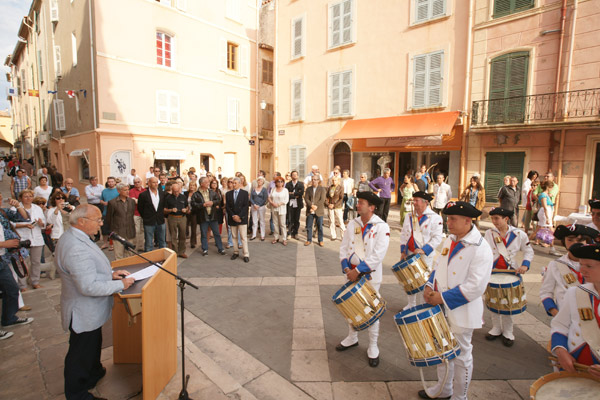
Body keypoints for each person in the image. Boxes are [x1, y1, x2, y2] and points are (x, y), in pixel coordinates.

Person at [56, 205, 134, 399]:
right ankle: (77, 393)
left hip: (89, 310)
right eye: (98, 220)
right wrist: (121, 285)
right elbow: (88, 286)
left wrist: (111, 274)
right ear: (82, 221)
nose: (101, 223)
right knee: (80, 353)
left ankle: (93, 372)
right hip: (83, 310)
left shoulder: (77, 237)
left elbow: (90, 269)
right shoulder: (75, 247)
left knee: (92, 345)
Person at [420, 201, 493, 400]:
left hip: (462, 310)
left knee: (461, 356)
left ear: (467, 221)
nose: (448, 222)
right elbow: (437, 266)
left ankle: (460, 396)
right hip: (441, 308)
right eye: (447, 218)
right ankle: (444, 389)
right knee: (443, 350)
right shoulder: (450, 239)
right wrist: (429, 284)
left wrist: (442, 298)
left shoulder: (481, 248)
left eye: (452, 219)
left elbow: (476, 286)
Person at [336, 191, 389, 367]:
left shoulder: (381, 227)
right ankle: (352, 337)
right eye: (358, 202)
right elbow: (344, 247)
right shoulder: (353, 223)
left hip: (370, 276)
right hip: (350, 274)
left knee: (371, 311)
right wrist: (346, 267)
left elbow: (378, 255)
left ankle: (373, 346)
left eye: (361, 203)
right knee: (352, 308)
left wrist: (358, 270)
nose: (357, 205)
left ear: (372, 207)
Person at [483, 207, 534, 347]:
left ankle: (508, 331)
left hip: (510, 272)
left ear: (506, 219)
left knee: (507, 303)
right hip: (493, 271)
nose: (494, 222)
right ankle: (496, 328)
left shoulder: (519, 234)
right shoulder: (489, 233)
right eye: (492, 219)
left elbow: (528, 251)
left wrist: (525, 265)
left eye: (497, 218)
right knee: (492, 300)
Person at [550, 242, 600, 379]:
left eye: (588, 266)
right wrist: (560, 350)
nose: (582, 271)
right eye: (581, 264)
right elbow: (560, 325)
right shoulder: (575, 292)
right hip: (574, 366)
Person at [539, 224, 598, 316]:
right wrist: (555, 312)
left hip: (592, 321)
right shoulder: (555, 265)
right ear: (564, 241)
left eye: (580, 240)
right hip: (566, 317)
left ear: (587, 242)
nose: (574, 243)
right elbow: (546, 292)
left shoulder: (596, 264)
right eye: (570, 240)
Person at [399, 191, 443, 309]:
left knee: (424, 281)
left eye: (417, 200)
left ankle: (425, 304)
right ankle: (411, 304)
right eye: (414, 200)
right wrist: (403, 251)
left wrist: (424, 250)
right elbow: (404, 234)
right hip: (409, 252)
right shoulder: (409, 216)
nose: (414, 203)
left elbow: (437, 238)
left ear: (425, 202)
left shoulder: (435, 218)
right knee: (410, 280)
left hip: (424, 255)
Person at [12, 190, 46, 290]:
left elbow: (44, 222)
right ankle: (22, 284)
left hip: (36, 238)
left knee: (36, 262)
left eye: (30, 196)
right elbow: (11, 224)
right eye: (25, 196)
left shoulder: (37, 208)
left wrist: (41, 223)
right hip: (23, 238)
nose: (28, 198)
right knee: (22, 262)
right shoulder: (14, 209)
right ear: (21, 198)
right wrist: (25, 225)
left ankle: (35, 281)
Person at [192, 177, 226, 256]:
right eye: (207, 182)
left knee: (216, 233)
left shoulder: (212, 192)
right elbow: (193, 204)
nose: (208, 183)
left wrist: (212, 203)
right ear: (202, 184)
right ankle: (205, 249)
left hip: (213, 216)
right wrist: (202, 205)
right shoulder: (196, 194)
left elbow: (218, 200)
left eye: (208, 182)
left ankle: (220, 248)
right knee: (204, 233)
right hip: (203, 217)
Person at [105, 183, 136, 260]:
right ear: (119, 191)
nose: (127, 191)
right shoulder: (112, 203)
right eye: (125, 190)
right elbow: (109, 218)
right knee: (119, 256)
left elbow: (131, 215)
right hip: (118, 232)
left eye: (128, 189)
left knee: (129, 255)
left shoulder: (132, 202)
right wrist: (112, 232)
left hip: (130, 232)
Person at [137, 177, 167, 252]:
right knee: (149, 242)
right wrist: (146, 217)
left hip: (160, 220)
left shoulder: (162, 193)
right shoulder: (143, 195)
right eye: (154, 182)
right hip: (149, 221)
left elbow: (163, 206)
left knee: (162, 241)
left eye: (157, 182)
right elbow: (140, 208)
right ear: (149, 183)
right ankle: (149, 260)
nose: (156, 184)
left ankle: (162, 259)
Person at [226, 177, 250, 262]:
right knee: (234, 236)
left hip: (241, 218)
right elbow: (227, 207)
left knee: (243, 237)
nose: (233, 184)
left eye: (235, 183)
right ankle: (235, 252)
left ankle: (246, 254)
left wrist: (239, 216)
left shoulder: (244, 193)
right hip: (232, 218)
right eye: (232, 183)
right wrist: (233, 215)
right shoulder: (228, 194)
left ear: (240, 184)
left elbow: (246, 206)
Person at [164, 182, 188, 258]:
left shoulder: (183, 197)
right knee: (173, 235)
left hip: (182, 217)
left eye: (177, 191)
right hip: (172, 217)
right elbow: (164, 210)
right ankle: (175, 252)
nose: (176, 193)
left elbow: (187, 207)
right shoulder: (168, 198)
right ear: (172, 190)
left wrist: (186, 210)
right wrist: (170, 210)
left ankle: (181, 251)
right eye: (174, 191)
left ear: (180, 189)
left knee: (182, 235)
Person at [304, 175, 326, 247]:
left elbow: (322, 199)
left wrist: (315, 206)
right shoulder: (308, 189)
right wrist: (311, 206)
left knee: (319, 226)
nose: (314, 181)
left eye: (315, 179)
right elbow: (306, 198)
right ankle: (309, 240)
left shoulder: (322, 189)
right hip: (310, 210)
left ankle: (321, 240)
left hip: (319, 210)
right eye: (313, 179)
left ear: (318, 180)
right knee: (309, 226)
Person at [269, 176, 289, 246]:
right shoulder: (273, 189)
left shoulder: (285, 190)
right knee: (275, 224)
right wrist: (272, 203)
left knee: (282, 224)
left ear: (283, 183)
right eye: (278, 181)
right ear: (276, 183)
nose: (280, 183)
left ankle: (284, 239)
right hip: (274, 208)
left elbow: (286, 200)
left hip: (282, 209)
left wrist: (278, 204)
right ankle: (276, 237)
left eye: (281, 181)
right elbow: (269, 197)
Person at [533, 180, 555, 247]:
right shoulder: (543, 195)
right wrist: (548, 218)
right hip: (545, 213)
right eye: (551, 188)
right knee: (551, 230)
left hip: (546, 212)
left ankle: (525, 242)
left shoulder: (545, 195)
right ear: (548, 187)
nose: (552, 189)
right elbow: (545, 206)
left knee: (538, 229)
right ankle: (552, 247)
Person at [99, 177, 119, 250]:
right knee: (104, 229)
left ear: (115, 182)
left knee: (113, 230)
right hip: (105, 213)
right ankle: (105, 243)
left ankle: (112, 244)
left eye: (112, 181)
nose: (110, 183)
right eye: (109, 182)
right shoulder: (104, 191)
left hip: (115, 213)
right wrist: (104, 203)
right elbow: (101, 200)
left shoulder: (118, 190)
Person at [129, 177, 146, 251]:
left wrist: (138, 200)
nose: (137, 183)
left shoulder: (145, 190)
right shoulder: (131, 191)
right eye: (135, 182)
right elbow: (133, 201)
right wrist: (141, 201)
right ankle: (135, 246)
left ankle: (141, 246)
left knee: (142, 230)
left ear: (141, 182)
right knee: (136, 230)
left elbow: (147, 202)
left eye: (138, 182)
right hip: (135, 213)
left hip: (144, 213)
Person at [325, 176, 345, 241]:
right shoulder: (330, 187)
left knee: (340, 221)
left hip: (338, 207)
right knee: (331, 221)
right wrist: (328, 204)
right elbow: (326, 197)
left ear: (338, 181)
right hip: (330, 206)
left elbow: (341, 198)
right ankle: (333, 235)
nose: (334, 181)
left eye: (335, 180)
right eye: (333, 180)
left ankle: (343, 236)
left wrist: (334, 205)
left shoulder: (341, 188)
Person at [285, 171, 304, 240]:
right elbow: (287, 194)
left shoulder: (301, 184)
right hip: (290, 204)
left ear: (298, 176)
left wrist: (292, 193)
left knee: (296, 219)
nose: (294, 176)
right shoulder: (288, 184)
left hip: (298, 204)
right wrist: (295, 195)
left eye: (296, 175)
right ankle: (289, 233)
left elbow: (301, 193)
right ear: (291, 176)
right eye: (293, 175)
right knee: (290, 219)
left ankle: (295, 233)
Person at [250, 177, 268, 241]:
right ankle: (254, 235)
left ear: (263, 182)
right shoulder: (254, 189)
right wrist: (254, 204)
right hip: (254, 206)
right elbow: (251, 198)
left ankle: (262, 235)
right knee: (254, 221)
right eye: (258, 180)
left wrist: (259, 205)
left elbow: (265, 199)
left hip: (261, 207)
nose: (259, 182)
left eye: (261, 181)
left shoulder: (264, 189)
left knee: (262, 221)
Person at [184, 181, 198, 248]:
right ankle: (184, 240)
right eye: (191, 185)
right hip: (186, 212)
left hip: (194, 212)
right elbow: (184, 202)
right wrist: (186, 209)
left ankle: (193, 242)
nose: (192, 186)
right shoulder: (186, 193)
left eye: (193, 185)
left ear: (195, 186)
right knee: (185, 226)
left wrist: (191, 210)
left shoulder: (197, 194)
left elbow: (197, 204)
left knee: (193, 228)